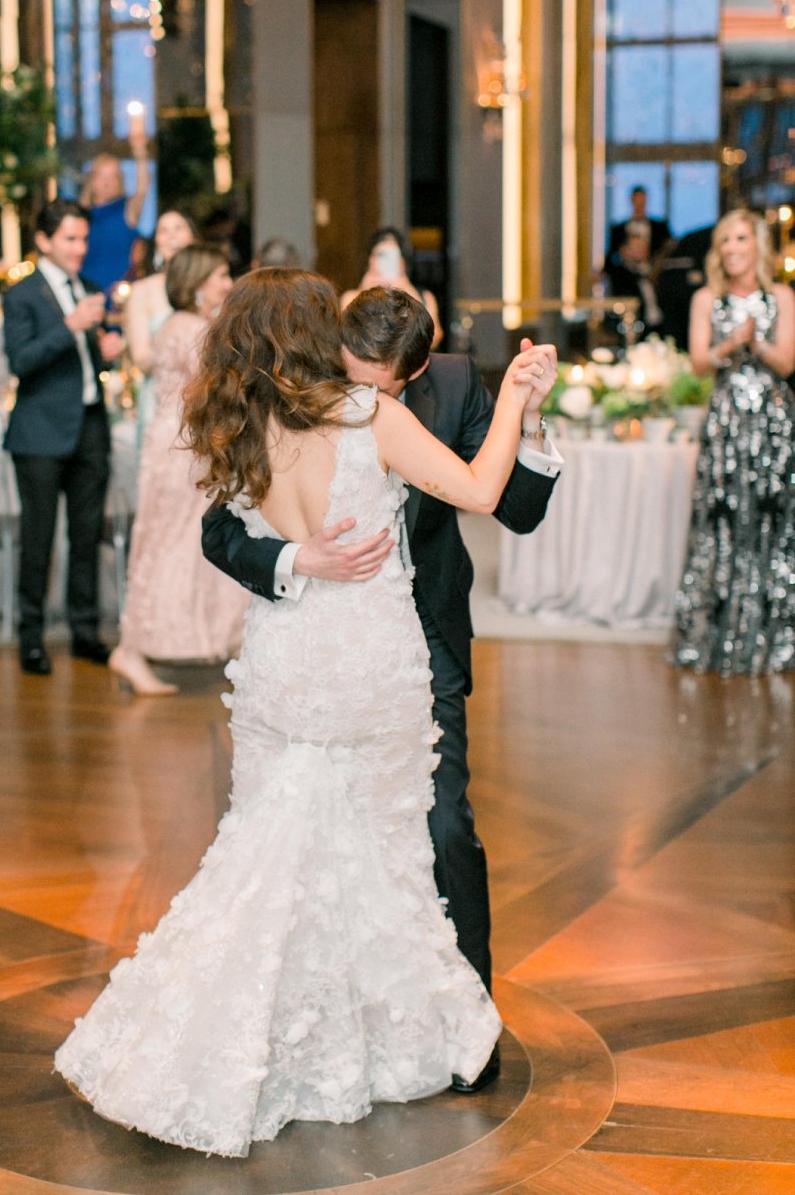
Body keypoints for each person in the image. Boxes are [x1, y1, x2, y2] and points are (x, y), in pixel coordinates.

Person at [54, 268, 556, 1155]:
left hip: (286, 666)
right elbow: (480, 491)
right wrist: (518, 392)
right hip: (366, 666)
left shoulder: (246, 426)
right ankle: (371, 1038)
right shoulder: (369, 415)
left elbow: (239, 524)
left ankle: (236, 1031)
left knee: (270, 849)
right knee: (379, 854)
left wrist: (295, 558)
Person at [202, 283, 561, 1092]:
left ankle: (463, 1018)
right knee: (332, 842)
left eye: (377, 379)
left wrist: (525, 416)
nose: (358, 387)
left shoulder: (454, 386)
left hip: (409, 644)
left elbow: (515, 507)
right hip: (329, 649)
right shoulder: (310, 401)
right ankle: (332, 1026)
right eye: (348, 368)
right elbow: (219, 531)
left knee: (436, 833)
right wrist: (297, 561)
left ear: (419, 366)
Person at [107, 244, 246, 694]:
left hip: (181, 444)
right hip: (184, 449)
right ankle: (132, 649)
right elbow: (222, 386)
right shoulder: (190, 329)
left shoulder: (182, 324)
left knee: (179, 544)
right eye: (221, 275)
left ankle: (222, 638)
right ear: (199, 283)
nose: (227, 283)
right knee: (173, 542)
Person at [671, 209, 795, 676]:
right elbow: (700, 364)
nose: (732, 248)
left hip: (774, 423)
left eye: (741, 238)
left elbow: (786, 363)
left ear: (756, 246)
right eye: (725, 240)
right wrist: (730, 345)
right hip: (725, 422)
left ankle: (775, 634)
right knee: (722, 518)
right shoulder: (707, 298)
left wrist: (755, 341)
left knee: (771, 517)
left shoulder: (781, 295)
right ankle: (719, 633)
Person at [2, 199, 124, 676]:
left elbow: (87, 363)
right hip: (39, 432)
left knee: (86, 535)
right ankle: (30, 639)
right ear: (44, 241)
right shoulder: (23, 295)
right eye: (70, 239)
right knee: (39, 539)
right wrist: (70, 326)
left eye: (83, 239)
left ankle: (84, 632)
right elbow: (21, 361)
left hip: (91, 425)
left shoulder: (90, 288)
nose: (79, 248)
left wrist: (106, 353)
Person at [124, 210, 198, 444]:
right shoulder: (143, 291)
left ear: (193, 238)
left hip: (203, 398)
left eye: (178, 228)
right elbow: (141, 359)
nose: (170, 236)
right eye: (163, 231)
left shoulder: (210, 288)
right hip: (160, 401)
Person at [340, 226, 444, 348]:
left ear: (403, 261)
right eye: (380, 255)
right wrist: (363, 294)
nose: (386, 262)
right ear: (370, 259)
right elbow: (345, 339)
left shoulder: (424, 297)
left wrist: (409, 292)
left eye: (392, 256)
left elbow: (434, 338)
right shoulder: (351, 297)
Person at [79, 137, 150, 293]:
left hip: (121, 292)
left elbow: (143, 187)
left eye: (113, 176)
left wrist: (139, 151)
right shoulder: (81, 214)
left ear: (120, 181)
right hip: (87, 290)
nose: (107, 182)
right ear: (92, 180)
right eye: (101, 176)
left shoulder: (127, 210)